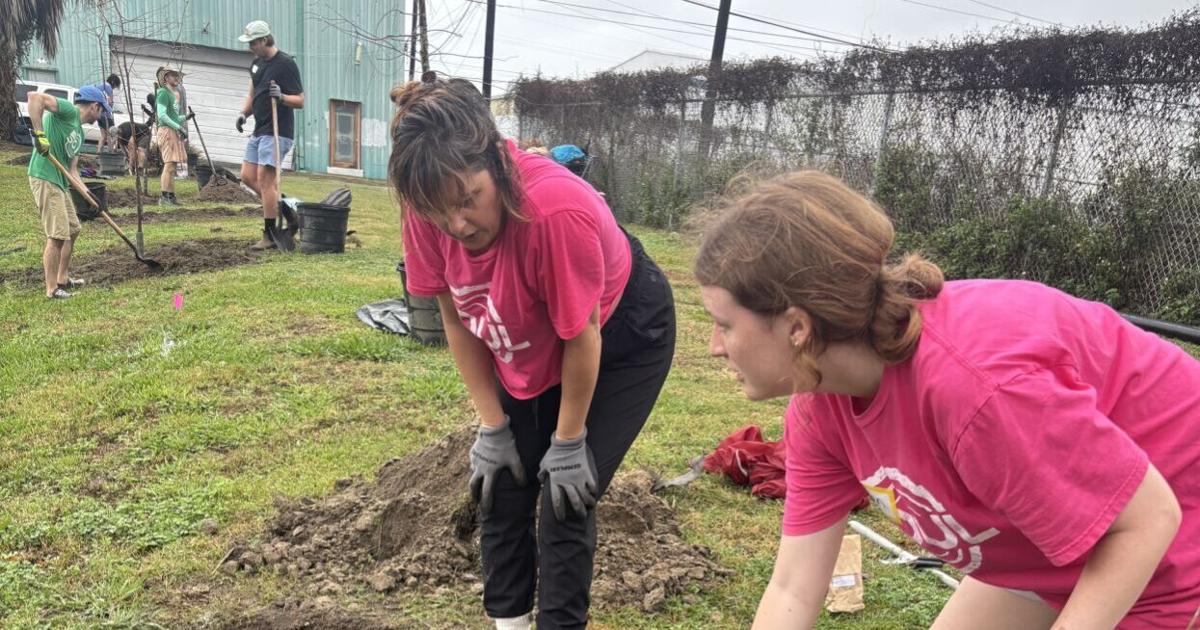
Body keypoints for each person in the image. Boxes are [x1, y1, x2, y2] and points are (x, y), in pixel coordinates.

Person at [693, 171, 1200, 629]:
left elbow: (1148, 520)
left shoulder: (975, 388)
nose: (715, 347)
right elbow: (791, 590)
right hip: (1057, 541)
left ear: (798, 327)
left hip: (1162, 533)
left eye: (724, 325)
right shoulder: (818, 408)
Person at [389, 73, 676, 630]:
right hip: (528, 331)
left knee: (567, 495)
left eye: (468, 200)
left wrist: (569, 440)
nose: (457, 224)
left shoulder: (553, 212)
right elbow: (455, 314)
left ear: (497, 160)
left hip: (618, 334)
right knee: (500, 485)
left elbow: (580, 334)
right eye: (438, 212)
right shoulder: (428, 203)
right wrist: (492, 425)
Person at [26, 85, 111, 299]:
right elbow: (35, 97)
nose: (101, 116)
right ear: (94, 106)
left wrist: (91, 197)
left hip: (60, 182)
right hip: (45, 176)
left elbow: (73, 171)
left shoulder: (80, 133)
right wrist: (39, 135)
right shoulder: (67, 111)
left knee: (73, 229)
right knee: (57, 235)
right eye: (102, 111)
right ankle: (51, 289)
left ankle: (62, 278)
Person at [236, 19, 304, 251]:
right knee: (247, 176)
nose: (250, 47)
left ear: (265, 39)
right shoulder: (256, 64)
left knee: (266, 180)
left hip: (278, 132)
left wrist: (282, 96)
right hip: (259, 129)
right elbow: (252, 93)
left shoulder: (285, 64)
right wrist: (244, 114)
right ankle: (286, 209)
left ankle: (269, 234)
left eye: (253, 43)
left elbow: (300, 101)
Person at [153, 66, 187, 206]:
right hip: (166, 131)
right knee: (168, 164)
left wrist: (185, 117)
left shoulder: (174, 94)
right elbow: (162, 116)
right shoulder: (162, 93)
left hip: (172, 130)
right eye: (173, 75)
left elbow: (174, 117)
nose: (177, 78)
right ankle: (164, 197)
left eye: (178, 76)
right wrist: (178, 127)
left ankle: (171, 196)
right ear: (166, 78)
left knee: (172, 165)